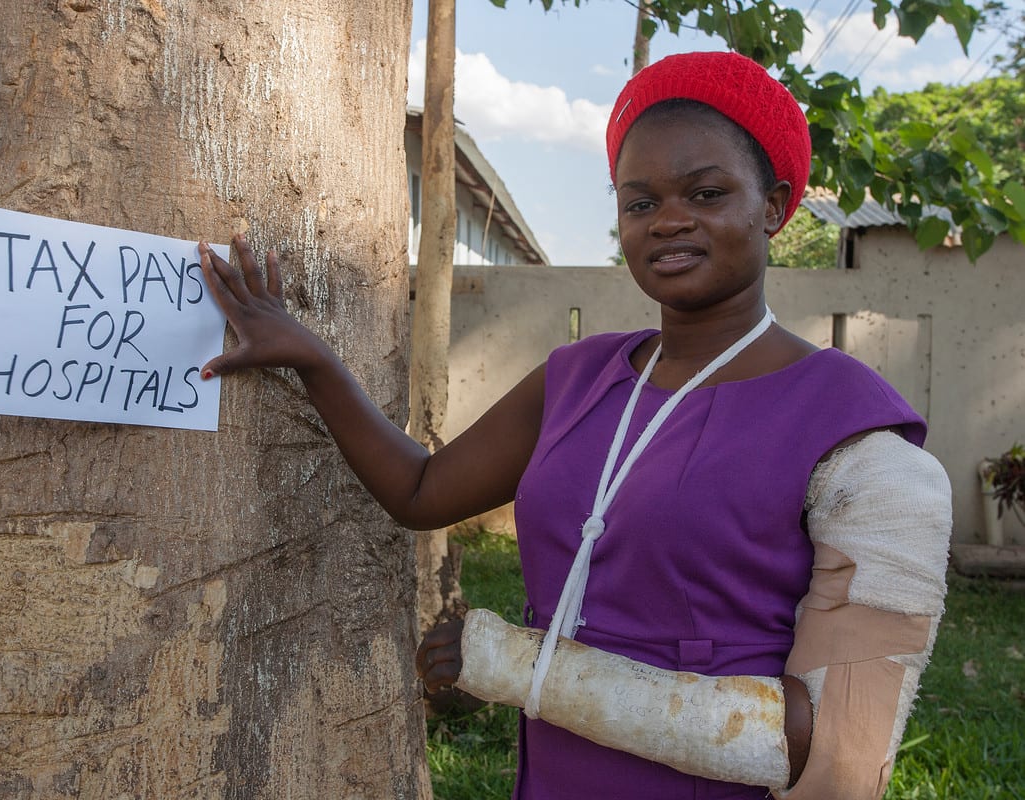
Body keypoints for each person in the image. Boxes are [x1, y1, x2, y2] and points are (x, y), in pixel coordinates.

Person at [197, 51, 952, 800]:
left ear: (775, 206)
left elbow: (835, 741)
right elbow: (421, 492)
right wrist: (314, 360)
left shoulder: (850, 428)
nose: (669, 220)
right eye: (639, 203)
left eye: (707, 192)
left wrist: (519, 669)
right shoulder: (579, 378)